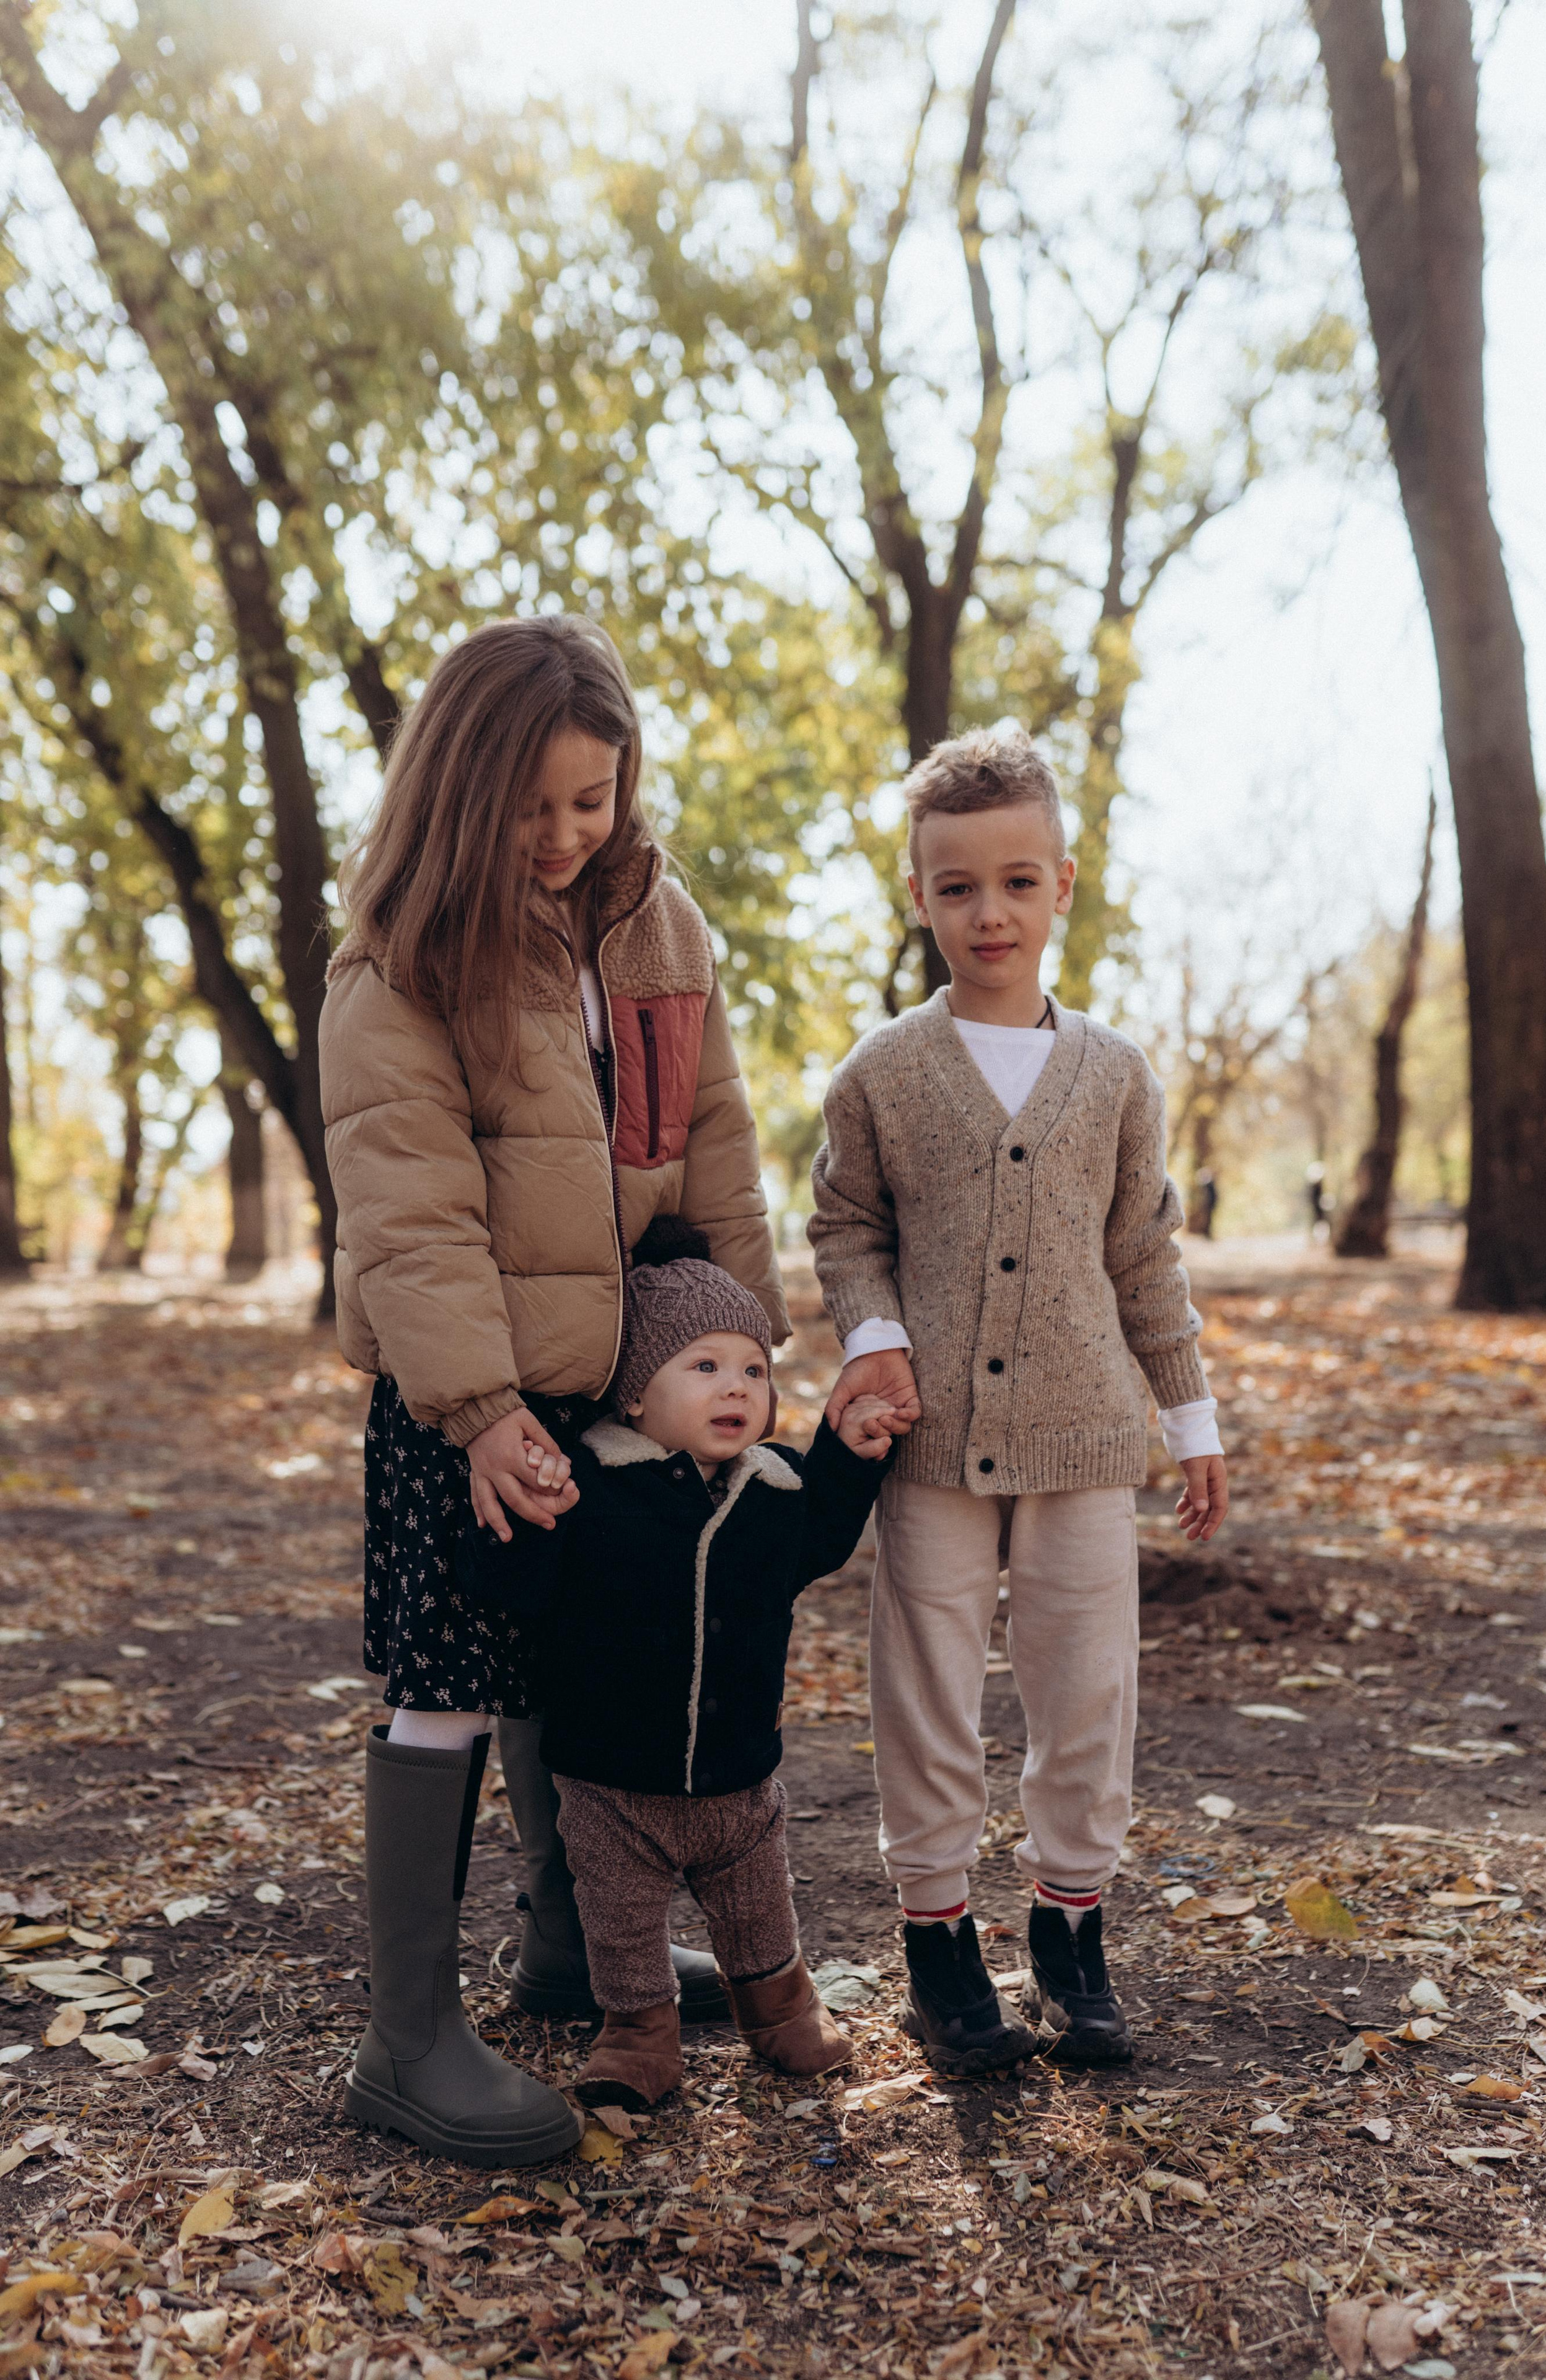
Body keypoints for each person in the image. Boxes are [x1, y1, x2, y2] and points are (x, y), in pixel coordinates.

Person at [320, 615, 788, 2166]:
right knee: (449, 1679)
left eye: (591, 798)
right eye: (533, 806)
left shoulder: (659, 922)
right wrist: (476, 1409)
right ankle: (406, 2041)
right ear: (461, 790)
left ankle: (575, 1950)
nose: (566, 833)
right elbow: (411, 1213)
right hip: (463, 1396)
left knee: (584, 1671)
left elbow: (710, 1129)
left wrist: (739, 1335)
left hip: (612, 1374)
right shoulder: (402, 960)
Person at [809, 728, 1231, 2077]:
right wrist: (873, 1339)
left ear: (1060, 884)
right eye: (953, 888)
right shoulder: (879, 1073)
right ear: (917, 897)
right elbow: (843, 1227)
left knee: (1082, 1690)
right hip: (927, 1445)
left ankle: (1068, 1931)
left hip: (1084, 1438)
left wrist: (1190, 1415)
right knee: (926, 1688)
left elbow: (1141, 1253)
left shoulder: (1112, 1076)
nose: (985, 913)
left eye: (1013, 883)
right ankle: (938, 1942)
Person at [455, 1219, 898, 2111]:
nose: (735, 1387)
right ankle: (637, 2036)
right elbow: (518, 1594)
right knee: (620, 1929)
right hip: (613, 1784)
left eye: (753, 1370)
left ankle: (779, 2013)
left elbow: (819, 1541)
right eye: (703, 1367)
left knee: (758, 1913)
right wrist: (526, 1513)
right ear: (632, 1398)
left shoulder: (772, 1492)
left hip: (740, 1781)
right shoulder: (591, 1490)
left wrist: (847, 1455)